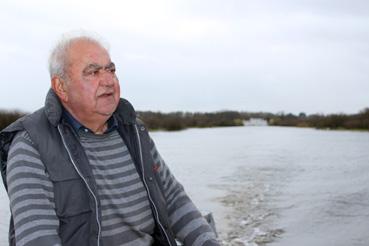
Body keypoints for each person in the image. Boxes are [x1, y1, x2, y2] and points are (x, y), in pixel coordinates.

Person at [0, 33, 219, 246]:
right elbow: (37, 238)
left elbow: (173, 201)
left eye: (111, 70)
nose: (108, 81)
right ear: (61, 87)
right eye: (93, 72)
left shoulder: (133, 130)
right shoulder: (30, 145)